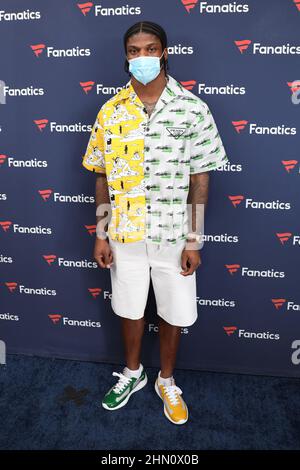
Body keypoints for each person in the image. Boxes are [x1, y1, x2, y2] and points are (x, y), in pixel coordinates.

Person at [82, 21, 229, 425]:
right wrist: (101, 232)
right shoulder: (110, 111)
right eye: (134, 50)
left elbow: (201, 180)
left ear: (164, 52)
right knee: (129, 307)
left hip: (173, 233)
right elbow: (101, 176)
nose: (142, 56)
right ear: (126, 55)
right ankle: (133, 374)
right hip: (124, 232)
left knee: (174, 311)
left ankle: (166, 380)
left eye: (151, 48)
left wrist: (194, 239)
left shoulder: (193, 108)